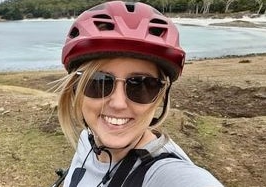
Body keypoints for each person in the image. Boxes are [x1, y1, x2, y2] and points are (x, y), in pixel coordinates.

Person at [57, 1, 224, 187]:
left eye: (141, 85)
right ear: (75, 89)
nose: (118, 103)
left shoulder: (166, 175)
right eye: (99, 82)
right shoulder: (87, 140)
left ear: (161, 95)